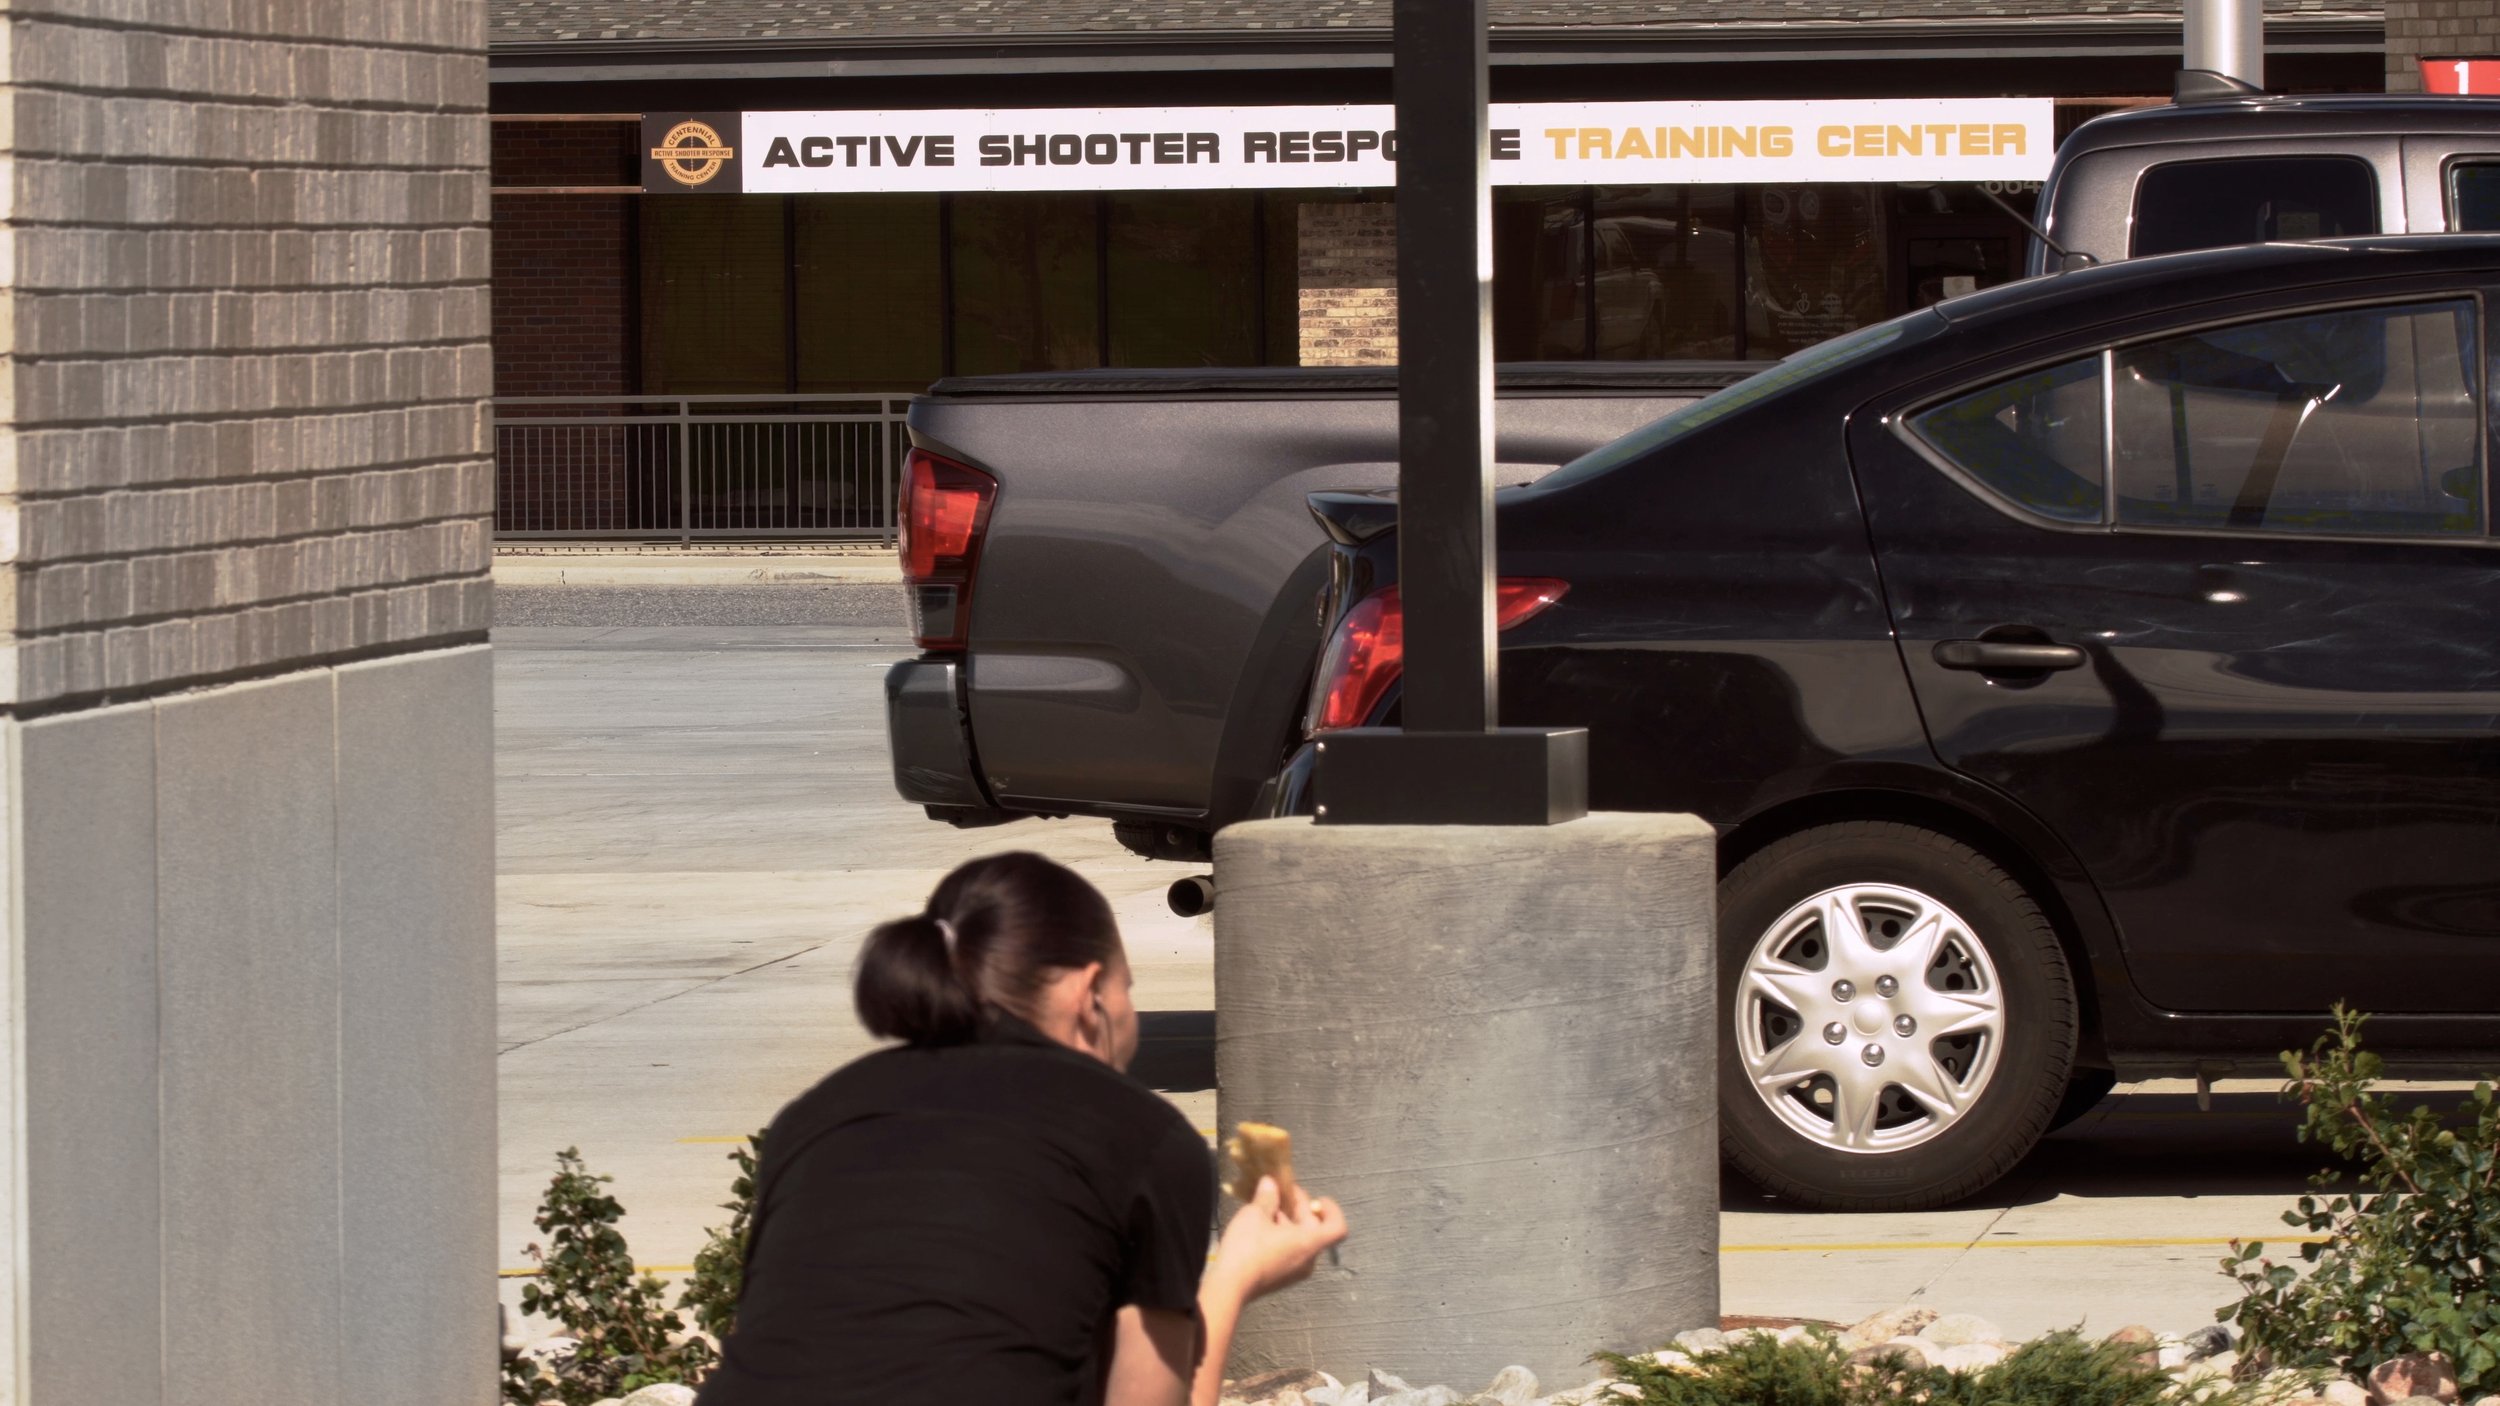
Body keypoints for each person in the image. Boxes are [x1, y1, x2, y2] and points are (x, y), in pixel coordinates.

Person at [696, 852, 1346, 1406]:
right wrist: (1234, 1276)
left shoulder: (814, 1116)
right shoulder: (1142, 1134)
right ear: (1090, 994)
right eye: (1128, 990)